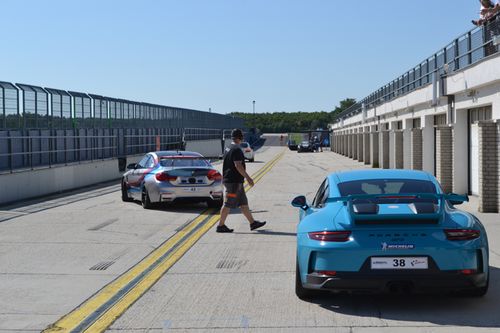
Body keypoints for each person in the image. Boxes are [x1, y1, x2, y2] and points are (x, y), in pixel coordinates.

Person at [216, 129, 266, 233]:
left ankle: (252, 223)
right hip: (233, 183)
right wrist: (248, 177)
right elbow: (238, 165)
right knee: (228, 203)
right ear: (240, 137)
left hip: (235, 182)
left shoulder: (228, 148)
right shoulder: (236, 150)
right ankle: (220, 225)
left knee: (243, 203)